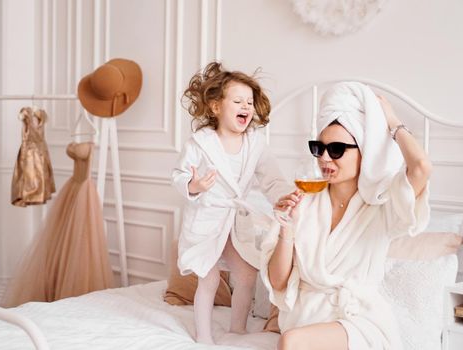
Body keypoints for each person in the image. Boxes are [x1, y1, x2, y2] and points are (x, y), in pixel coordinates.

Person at [261, 82, 432, 350]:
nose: (325, 159)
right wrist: (287, 230)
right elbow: (278, 282)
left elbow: (421, 167)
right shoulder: (305, 199)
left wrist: (392, 123)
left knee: (291, 343)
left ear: (364, 150)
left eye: (337, 149)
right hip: (302, 320)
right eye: (319, 148)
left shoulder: (382, 203)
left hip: (356, 321)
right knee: (293, 339)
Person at [172, 62, 290, 344]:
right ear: (215, 107)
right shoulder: (201, 142)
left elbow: (272, 180)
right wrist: (194, 186)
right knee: (209, 278)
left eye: (249, 102)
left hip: (236, 222)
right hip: (208, 220)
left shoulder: (255, 144)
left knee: (247, 274)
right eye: (238, 101)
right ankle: (203, 336)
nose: (246, 107)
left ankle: (237, 329)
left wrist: (285, 197)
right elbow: (178, 175)